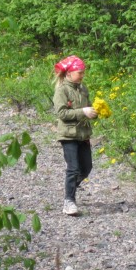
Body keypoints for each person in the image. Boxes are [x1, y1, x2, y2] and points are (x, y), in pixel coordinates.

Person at [53, 55, 97, 215]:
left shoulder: (83, 88)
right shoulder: (62, 90)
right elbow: (62, 113)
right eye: (80, 72)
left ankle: (71, 185)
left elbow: (88, 107)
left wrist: (94, 111)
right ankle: (69, 201)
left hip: (83, 134)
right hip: (68, 135)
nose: (82, 75)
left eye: (83, 72)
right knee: (73, 168)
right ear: (70, 73)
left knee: (86, 168)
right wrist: (82, 112)